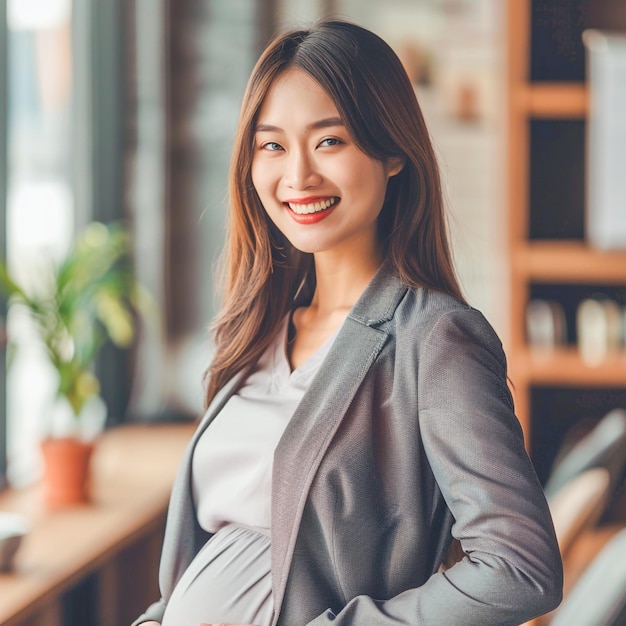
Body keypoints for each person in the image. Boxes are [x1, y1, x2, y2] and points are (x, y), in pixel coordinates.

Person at [133, 18, 563, 626]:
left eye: (329, 141)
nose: (298, 176)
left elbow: (519, 568)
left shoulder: (434, 337)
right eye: (272, 145)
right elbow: (216, 547)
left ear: (392, 152)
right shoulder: (255, 328)